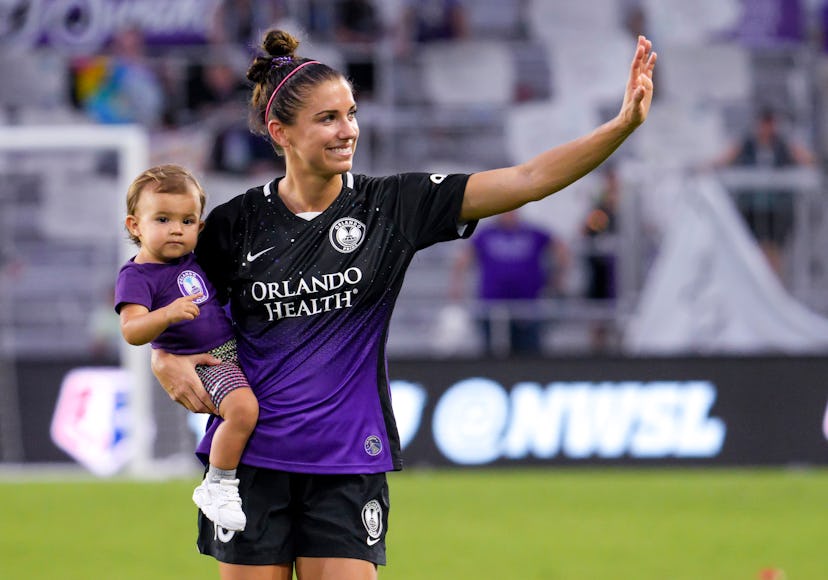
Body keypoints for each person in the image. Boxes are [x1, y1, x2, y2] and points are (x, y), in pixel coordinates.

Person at [150, 28, 656, 579]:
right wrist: (163, 358)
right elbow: (167, 304)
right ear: (281, 132)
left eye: (351, 113)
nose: (349, 131)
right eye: (328, 119)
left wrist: (621, 126)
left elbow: (528, 180)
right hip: (252, 462)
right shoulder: (233, 225)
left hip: (346, 463)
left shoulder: (392, 206)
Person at [115, 164, 259, 532]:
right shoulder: (136, 276)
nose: (177, 228)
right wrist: (167, 314)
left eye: (188, 220)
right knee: (242, 410)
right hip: (208, 363)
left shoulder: (192, 260)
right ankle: (218, 484)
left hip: (234, 351)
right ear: (135, 226)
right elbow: (132, 330)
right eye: (162, 219)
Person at [710, 108, 815, 278]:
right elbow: (724, 160)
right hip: (752, 208)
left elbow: (805, 158)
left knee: (773, 251)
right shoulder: (746, 144)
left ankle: (772, 289)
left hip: (777, 209)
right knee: (754, 252)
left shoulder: (783, 144)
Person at [451, 210, 569, 356]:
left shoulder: (532, 232)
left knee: (529, 353)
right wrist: (457, 285)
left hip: (528, 306)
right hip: (493, 306)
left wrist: (559, 276)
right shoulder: (486, 234)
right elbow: (463, 259)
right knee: (493, 353)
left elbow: (560, 248)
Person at [581, 165, 622, 352]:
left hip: (622, 274)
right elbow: (587, 231)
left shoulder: (629, 209)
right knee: (598, 316)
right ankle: (597, 351)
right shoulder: (599, 209)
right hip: (601, 271)